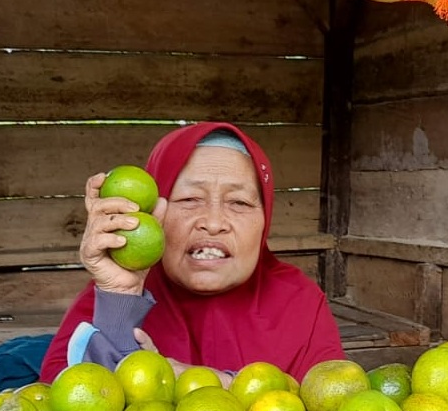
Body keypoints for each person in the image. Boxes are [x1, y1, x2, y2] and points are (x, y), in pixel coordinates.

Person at [40, 122, 344, 383]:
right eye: (188, 199)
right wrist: (119, 300)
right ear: (153, 213)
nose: (213, 223)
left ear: (265, 220)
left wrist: (207, 384)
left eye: (239, 202)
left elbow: (332, 401)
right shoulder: (111, 292)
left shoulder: (300, 303)